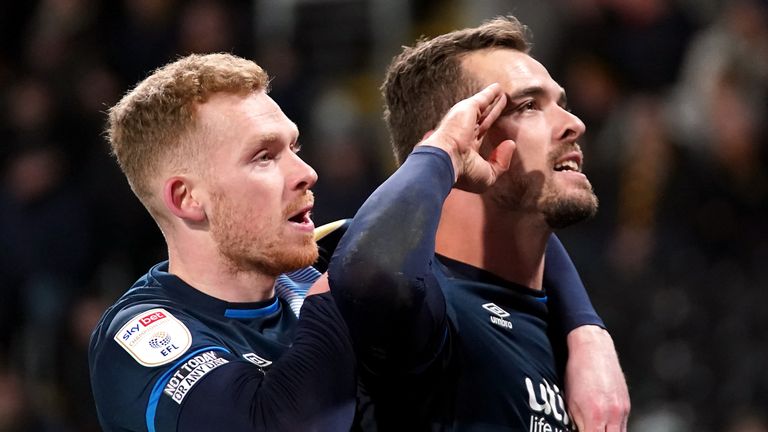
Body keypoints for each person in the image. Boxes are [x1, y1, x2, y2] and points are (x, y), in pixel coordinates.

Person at [328, 16, 630, 431]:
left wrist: (588, 330)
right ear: (465, 138)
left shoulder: (559, 320)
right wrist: (442, 154)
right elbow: (366, 271)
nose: (573, 123)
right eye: (528, 107)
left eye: (562, 103)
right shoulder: (424, 312)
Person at [88, 53, 357, 431]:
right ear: (187, 199)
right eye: (264, 157)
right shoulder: (141, 335)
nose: (306, 173)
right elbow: (276, 424)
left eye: (293, 148)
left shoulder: (316, 267)